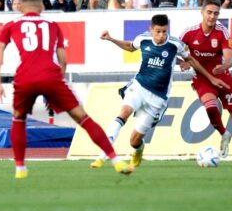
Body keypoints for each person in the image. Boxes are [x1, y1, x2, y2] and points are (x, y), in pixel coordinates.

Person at [0, 0, 134, 178]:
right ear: (42, 6)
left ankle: (20, 169)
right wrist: (55, 88)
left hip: (24, 77)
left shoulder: (11, 24)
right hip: (51, 77)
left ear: (20, 7)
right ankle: (115, 160)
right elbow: (63, 60)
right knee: (83, 118)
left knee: (18, 119)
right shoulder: (52, 25)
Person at [93, 14, 225, 169]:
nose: (161, 35)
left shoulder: (175, 44)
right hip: (139, 87)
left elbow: (190, 59)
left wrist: (208, 76)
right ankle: (102, 157)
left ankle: (138, 150)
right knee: (123, 113)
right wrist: (111, 39)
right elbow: (130, 47)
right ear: (151, 29)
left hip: (158, 98)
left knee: (134, 140)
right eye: (158, 32)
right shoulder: (143, 39)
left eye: (164, 31)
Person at [180, 0, 232, 165]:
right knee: (210, 107)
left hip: (223, 77)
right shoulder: (189, 33)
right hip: (202, 78)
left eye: (216, 13)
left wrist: (224, 66)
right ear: (202, 12)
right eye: (209, 12)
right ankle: (224, 133)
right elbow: (174, 51)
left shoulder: (222, 32)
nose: (212, 16)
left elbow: (230, 59)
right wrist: (183, 62)